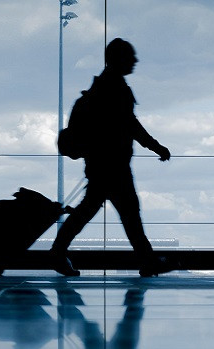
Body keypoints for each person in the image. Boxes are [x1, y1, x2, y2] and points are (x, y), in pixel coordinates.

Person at [51, 38, 174, 277]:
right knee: (127, 212)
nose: (135, 61)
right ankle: (147, 261)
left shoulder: (103, 88)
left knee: (92, 210)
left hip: (101, 163)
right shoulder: (115, 89)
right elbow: (131, 125)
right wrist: (156, 147)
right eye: (130, 57)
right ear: (118, 59)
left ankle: (57, 252)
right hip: (113, 165)